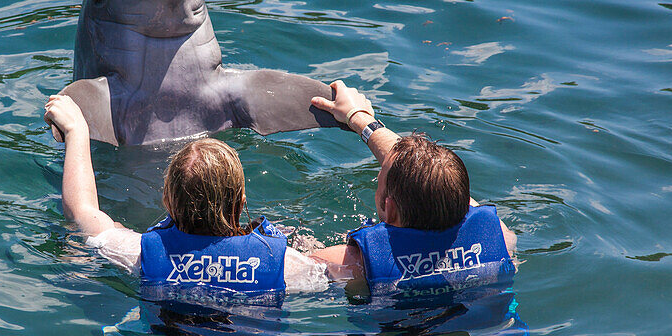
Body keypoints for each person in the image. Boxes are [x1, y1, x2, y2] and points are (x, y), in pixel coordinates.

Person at [43, 94, 328, 299]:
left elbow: (81, 211)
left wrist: (76, 130)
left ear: (167, 200)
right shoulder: (285, 264)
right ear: (241, 205)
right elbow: (358, 268)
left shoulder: (141, 254)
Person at [308, 81, 517, 295]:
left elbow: (279, 270)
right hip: (493, 328)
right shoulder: (500, 237)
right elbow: (438, 183)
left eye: (379, 180)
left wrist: (358, 116)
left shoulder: (351, 264)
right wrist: (359, 118)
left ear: (390, 209)